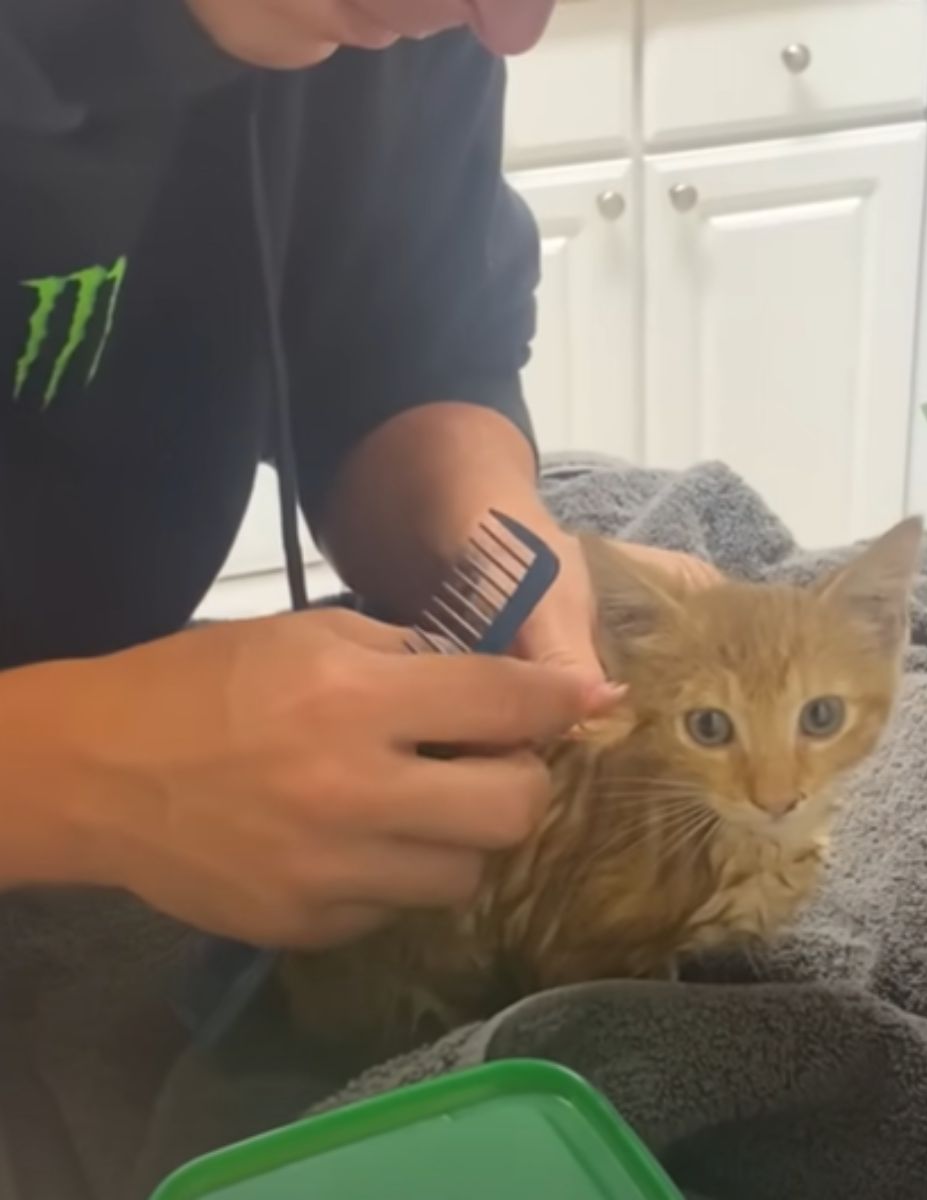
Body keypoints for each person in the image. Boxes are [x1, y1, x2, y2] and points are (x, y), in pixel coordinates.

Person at [0, 0, 704, 953]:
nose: (510, 28)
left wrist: (494, 544)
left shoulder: (413, 35)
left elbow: (399, 359)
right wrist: (86, 774)